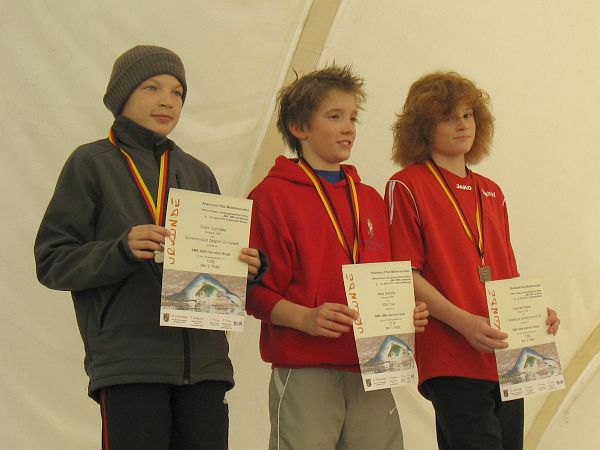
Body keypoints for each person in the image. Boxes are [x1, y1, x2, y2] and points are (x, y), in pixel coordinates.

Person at [34, 45, 265, 450]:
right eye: (152, 87)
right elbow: (52, 260)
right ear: (121, 95)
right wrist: (120, 249)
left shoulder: (197, 171)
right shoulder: (91, 164)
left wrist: (246, 266)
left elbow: (219, 266)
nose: (167, 101)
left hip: (206, 366)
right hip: (131, 363)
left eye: (177, 92)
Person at [246, 65, 429, 450]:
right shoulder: (271, 197)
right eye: (334, 117)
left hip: (372, 366)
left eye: (352, 118)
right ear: (299, 127)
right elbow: (253, 292)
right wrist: (305, 318)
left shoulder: (371, 199)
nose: (349, 128)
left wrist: (404, 311)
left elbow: (386, 280)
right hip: (306, 366)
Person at [385, 71, 560, 450]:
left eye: (468, 114)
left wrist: (534, 313)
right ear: (421, 128)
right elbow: (405, 273)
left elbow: (506, 274)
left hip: (507, 353)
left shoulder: (491, 192)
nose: (462, 124)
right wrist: (464, 322)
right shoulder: (407, 185)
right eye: (448, 117)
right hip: (451, 355)